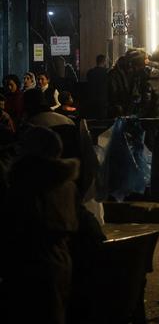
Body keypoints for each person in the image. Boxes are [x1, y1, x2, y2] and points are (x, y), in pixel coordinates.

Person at [0, 127, 79, 324]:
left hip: (29, 267)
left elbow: (13, 225)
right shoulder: (66, 184)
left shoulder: (27, 184)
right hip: (61, 262)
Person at [107, 48, 147, 118]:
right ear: (130, 64)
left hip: (131, 115)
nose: (139, 69)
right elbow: (112, 97)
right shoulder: (114, 75)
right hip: (117, 116)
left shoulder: (136, 74)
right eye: (138, 66)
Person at [85, 54, 109, 119]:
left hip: (91, 99)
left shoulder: (90, 72)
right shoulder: (107, 73)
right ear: (104, 61)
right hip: (103, 100)